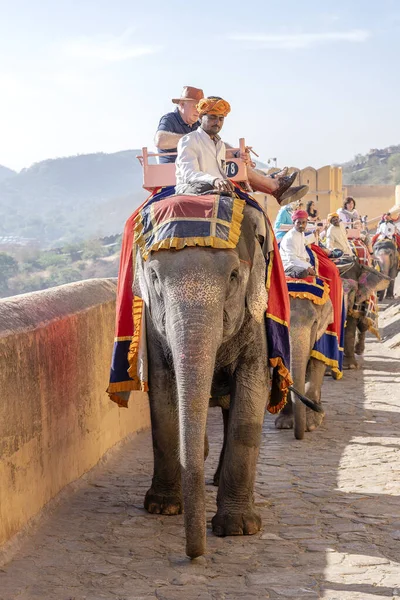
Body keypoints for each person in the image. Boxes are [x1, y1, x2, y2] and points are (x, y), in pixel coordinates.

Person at [175, 95, 308, 204]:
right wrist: (215, 180)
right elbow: (190, 173)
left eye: (221, 119)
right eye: (212, 117)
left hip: (216, 190)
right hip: (194, 189)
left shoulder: (220, 145)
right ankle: (276, 185)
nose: (217, 122)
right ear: (200, 117)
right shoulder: (189, 140)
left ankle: (275, 187)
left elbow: (221, 174)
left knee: (252, 208)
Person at [154, 86, 204, 164]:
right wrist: (193, 139)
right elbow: (160, 141)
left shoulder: (199, 125)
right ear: (182, 104)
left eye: (200, 107)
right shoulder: (169, 119)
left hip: (193, 172)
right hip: (170, 172)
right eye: (195, 106)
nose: (198, 111)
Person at [279, 209, 316, 278]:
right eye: (298, 222)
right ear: (294, 223)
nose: (301, 225)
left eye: (304, 222)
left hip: (299, 262)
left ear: (306, 223)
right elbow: (292, 259)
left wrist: (314, 236)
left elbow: (304, 241)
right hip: (289, 265)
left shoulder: (300, 233)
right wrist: (307, 267)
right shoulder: (290, 237)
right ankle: (285, 274)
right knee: (303, 272)